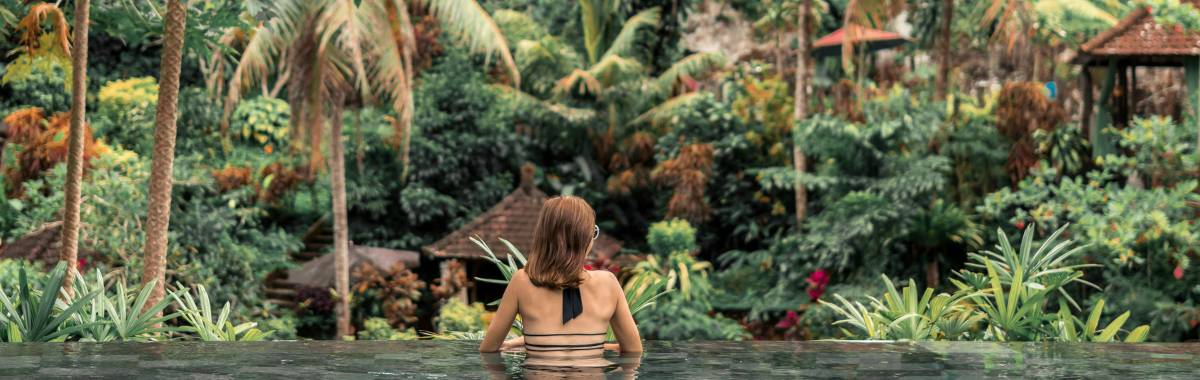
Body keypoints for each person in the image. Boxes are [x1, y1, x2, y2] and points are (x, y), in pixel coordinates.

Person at [479, 196, 642, 356]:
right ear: (584, 237)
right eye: (593, 232)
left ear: (544, 236)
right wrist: (598, 346)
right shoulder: (608, 284)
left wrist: (523, 342)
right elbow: (633, 351)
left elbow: (489, 349)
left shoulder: (522, 281)